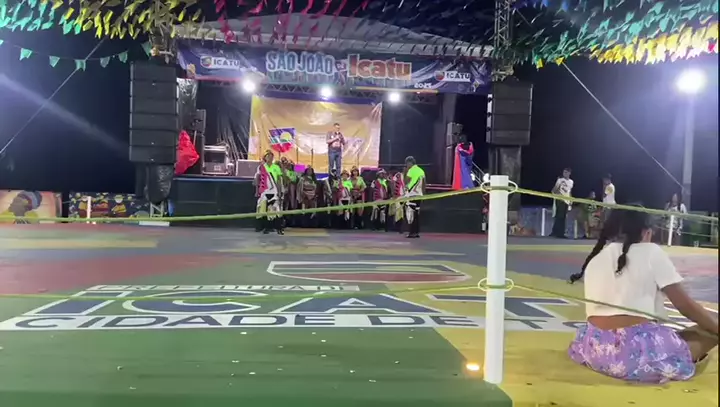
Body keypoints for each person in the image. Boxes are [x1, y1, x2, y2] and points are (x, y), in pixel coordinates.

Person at [567, 209, 718, 383]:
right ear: (646, 232)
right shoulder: (651, 252)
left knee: (679, 333)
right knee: (709, 328)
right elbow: (685, 306)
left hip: (595, 350)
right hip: (633, 358)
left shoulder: (596, 258)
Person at [253, 150, 284, 235]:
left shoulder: (276, 167)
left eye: (271, 156)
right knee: (262, 208)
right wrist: (257, 191)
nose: (270, 157)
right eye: (268, 156)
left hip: (274, 190)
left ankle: (277, 228)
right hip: (264, 191)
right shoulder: (261, 167)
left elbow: (278, 180)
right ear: (265, 157)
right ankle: (262, 227)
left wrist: (279, 191)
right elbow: (258, 179)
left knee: (274, 209)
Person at [404, 156, 426, 238]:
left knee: (410, 214)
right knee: (416, 214)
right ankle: (416, 232)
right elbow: (424, 183)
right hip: (419, 195)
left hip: (412, 195)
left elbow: (406, 182)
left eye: (407, 164)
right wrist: (423, 195)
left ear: (410, 163)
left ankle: (411, 232)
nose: (406, 165)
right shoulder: (421, 170)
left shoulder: (411, 171)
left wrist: (405, 172)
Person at [551, 168, 574, 238]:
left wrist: (571, 200)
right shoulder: (560, 180)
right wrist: (558, 195)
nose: (565, 174)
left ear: (569, 173)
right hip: (560, 200)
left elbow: (569, 191)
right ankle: (559, 233)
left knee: (563, 217)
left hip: (566, 201)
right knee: (559, 216)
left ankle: (556, 232)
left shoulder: (571, 181)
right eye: (564, 172)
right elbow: (554, 189)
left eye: (566, 172)